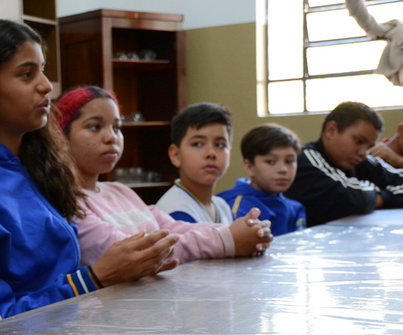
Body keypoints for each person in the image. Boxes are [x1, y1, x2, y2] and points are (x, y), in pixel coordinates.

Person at [0, 19, 179, 319]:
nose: (46, 85)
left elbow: (55, 276)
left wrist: (132, 268)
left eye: (43, 69)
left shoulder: (33, 167)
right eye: (27, 74)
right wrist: (95, 278)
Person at [55, 86, 273, 267]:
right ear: (61, 138)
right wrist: (229, 240)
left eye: (117, 127)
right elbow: (137, 254)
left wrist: (244, 230)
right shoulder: (68, 203)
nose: (111, 137)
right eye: (95, 127)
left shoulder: (120, 191)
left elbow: (173, 228)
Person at [285, 101, 403, 226]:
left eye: (369, 147)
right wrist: (382, 196)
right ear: (331, 130)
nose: (364, 152)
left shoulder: (361, 161)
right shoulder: (304, 161)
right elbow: (348, 199)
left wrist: (379, 197)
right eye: (358, 141)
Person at [218, 124, 306, 235]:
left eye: (289, 161)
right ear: (249, 167)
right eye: (270, 161)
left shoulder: (295, 208)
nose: (283, 169)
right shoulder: (240, 208)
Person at [155, 103, 236, 225]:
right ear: (176, 155)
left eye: (219, 145)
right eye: (197, 144)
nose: (211, 153)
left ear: (229, 154)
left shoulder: (222, 206)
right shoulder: (175, 212)